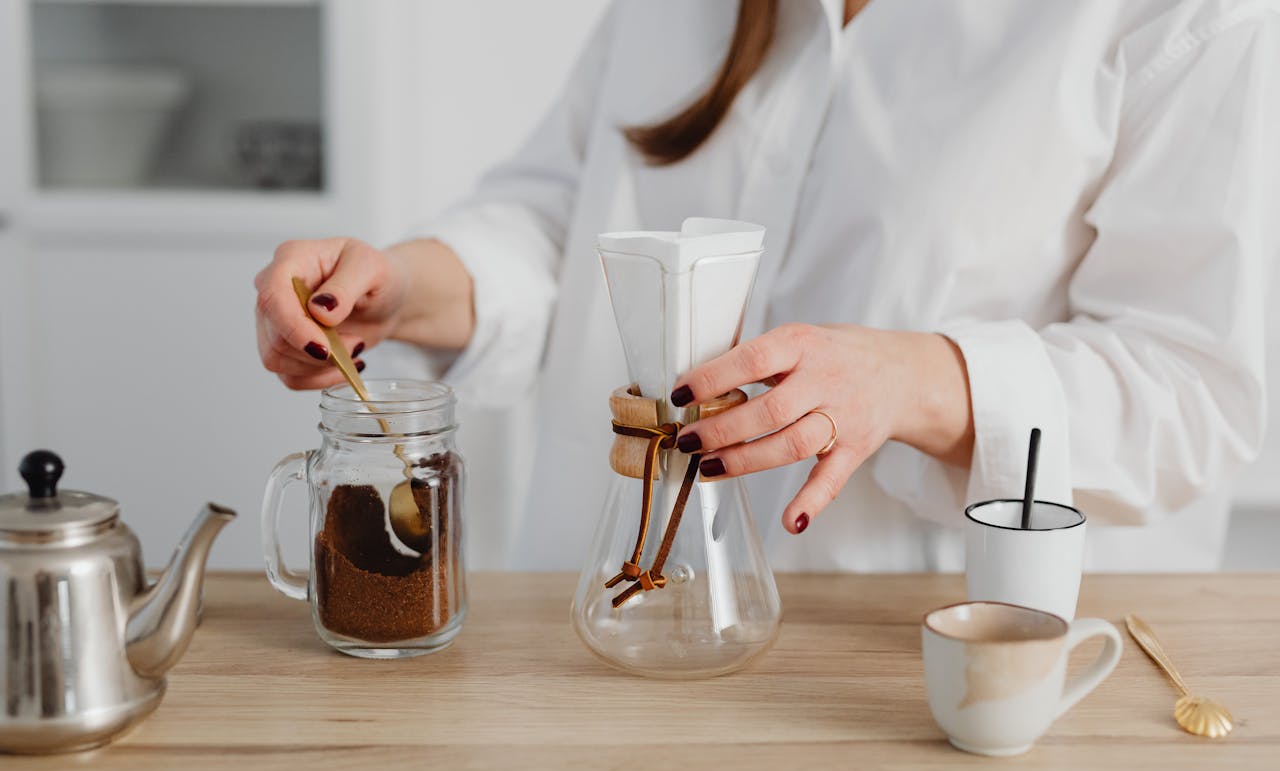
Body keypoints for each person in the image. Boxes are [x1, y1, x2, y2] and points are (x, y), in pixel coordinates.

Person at [254, 0, 1280, 572]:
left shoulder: (1179, 15)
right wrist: (402, 287)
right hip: (605, 638)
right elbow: (566, 218)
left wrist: (917, 381)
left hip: (908, 677)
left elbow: (1192, 390)